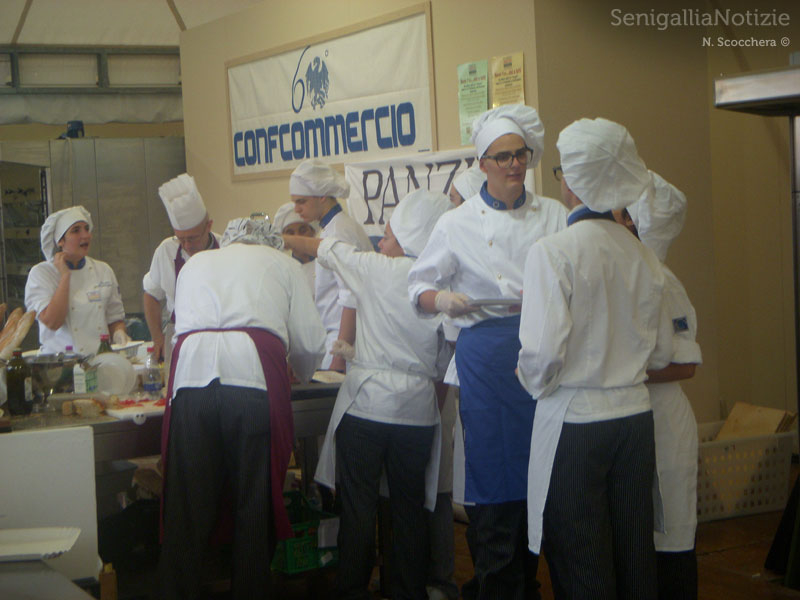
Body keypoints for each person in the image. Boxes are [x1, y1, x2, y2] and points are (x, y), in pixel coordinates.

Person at [408, 104, 567, 600]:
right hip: (486, 360)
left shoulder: (555, 215)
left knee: (543, 478)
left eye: (520, 154)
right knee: (495, 486)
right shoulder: (457, 224)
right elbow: (417, 289)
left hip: (544, 354)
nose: (515, 165)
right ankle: (501, 585)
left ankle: (529, 580)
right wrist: (444, 299)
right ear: (482, 164)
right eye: (503, 157)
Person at [516, 117, 675, 599]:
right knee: (634, 559)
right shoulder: (645, 255)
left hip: (577, 423)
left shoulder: (554, 252)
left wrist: (532, 381)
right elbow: (663, 351)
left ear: (573, 180)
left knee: (582, 561)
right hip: (634, 421)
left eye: (561, 170)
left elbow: (541, 354)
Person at [284, 188, 452, 600]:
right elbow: (444, 367)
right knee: (409, 512)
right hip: (416, 413)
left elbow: (321, 246)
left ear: (409, 239)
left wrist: (278, 239)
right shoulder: (441, 286)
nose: (383, 243)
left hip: (369, 409)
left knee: (358, 509)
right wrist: (428, 408)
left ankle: (352, 589)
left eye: (390, 236)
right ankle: (407, 591)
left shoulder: (376, 269)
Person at [158, 217, 325, 600]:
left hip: (191, 381)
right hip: (251, 380)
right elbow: (310, 341)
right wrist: (302, 371)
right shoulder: (283, 264)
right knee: (254, 502)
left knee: (188, 507)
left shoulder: (196, 263)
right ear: (271, 243)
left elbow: (178, 328)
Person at [614, 171, 702, 600]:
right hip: (630, 417)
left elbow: (685, 365)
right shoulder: (623, 277)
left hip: (664, 422)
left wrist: (620, 370)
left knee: (671, 538)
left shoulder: (663, 282)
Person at [290, 158, 373, 372]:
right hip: (337, 338)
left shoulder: (340, 232)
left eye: (302, 201)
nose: (296, 209)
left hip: (345, 343)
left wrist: (339, 357)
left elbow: (351, 297)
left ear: (322, 196)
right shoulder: (330, 229)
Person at [25, 205, 129, 355]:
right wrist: (65, 276)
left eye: (87, 229)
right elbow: (53, 322)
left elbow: (114, 318)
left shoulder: (103, 270)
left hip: (102, 360)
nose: (85, 235)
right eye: (76, 230)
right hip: (60, 367)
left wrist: (119, 333)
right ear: (60, 241)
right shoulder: (41, 273)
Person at [142, 173, 220, 364]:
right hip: (177, 337)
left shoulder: (226, 248)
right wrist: (157, 336)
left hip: (218, 337)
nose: (186, 245)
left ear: (208, 226)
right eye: (180, 238)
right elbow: (151, 294)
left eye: (192, 238)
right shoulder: (166, 250)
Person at [273, 201, 318, 295]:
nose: (297, 237)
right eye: (290, 233)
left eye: (303, 230)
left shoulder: (328, 263)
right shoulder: (284, 271)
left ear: (313, 232)